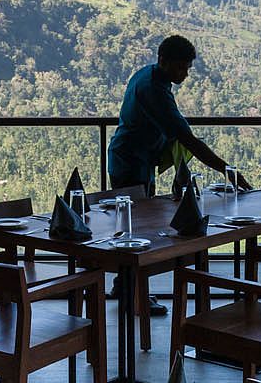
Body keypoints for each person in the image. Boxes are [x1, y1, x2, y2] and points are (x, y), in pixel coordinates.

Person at [107, 35, 251, 314]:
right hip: (131, 162)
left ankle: (124, 287)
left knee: (132, 227)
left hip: (133, 159)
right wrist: (227, 170)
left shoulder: (149, 76)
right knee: (138, 231)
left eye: (187, 67)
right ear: (164, 61)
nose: (185, 73)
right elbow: (188, 139)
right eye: (181, 67)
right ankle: (135, 295)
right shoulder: (153, 90)